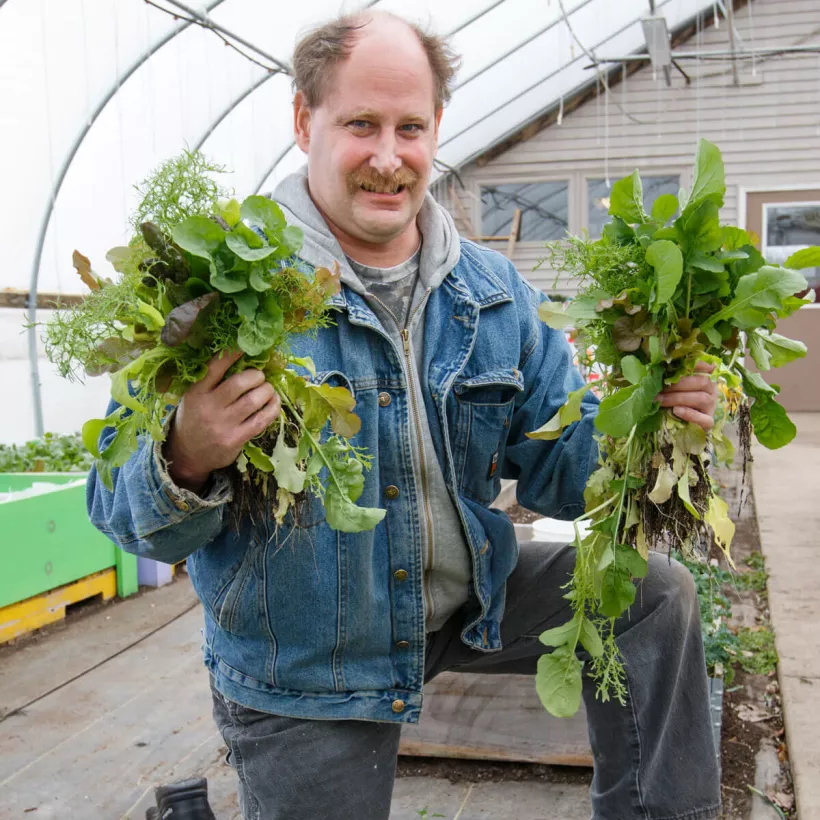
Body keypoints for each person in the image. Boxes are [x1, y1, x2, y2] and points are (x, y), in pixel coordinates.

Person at [88, 11, 721, 820]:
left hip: (464, 603)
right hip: (310, 666)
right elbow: (122, 515)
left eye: (410, 127)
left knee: (656, 601)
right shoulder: (217, 292)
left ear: (436, 130)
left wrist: (651, 418)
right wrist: (187, 455)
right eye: (361, 124)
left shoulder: (492, 295)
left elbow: (567, 478)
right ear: (301, 121)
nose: (389, 158)